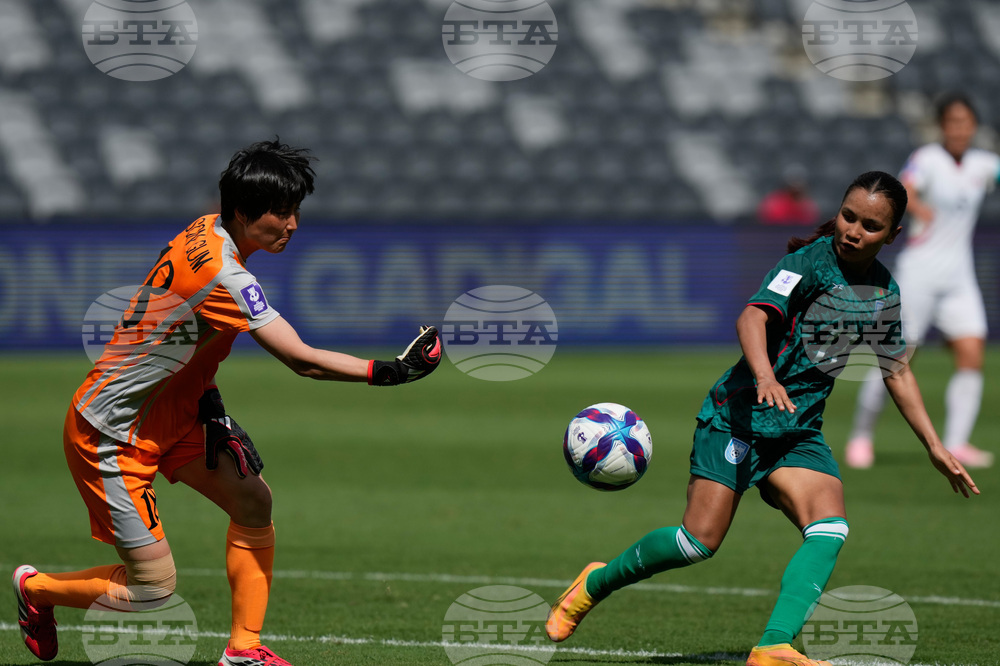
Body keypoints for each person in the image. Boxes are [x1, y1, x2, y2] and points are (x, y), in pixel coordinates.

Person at [11, 140, 442, 666]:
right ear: (243, 212)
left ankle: (244, 650)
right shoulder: (224, 275)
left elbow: (183, 339)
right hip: (112, 432)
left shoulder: (206, 226)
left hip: (175, 412)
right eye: (281, 213)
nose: (293, 224)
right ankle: (36, 591)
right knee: (152, 590)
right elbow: (300, 359)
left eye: (296, 210)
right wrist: (391, 372)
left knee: (254, 501)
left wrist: (211, 408)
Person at [545, 172, 978, 666]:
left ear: (893, 235)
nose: (853, 230)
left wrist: (935, 447)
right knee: (696, 542)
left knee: (830, 527)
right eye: (848, 216)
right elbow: (752, 317)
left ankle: (773, 645)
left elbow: (896, 371)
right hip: (740, 417)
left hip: (796, 434)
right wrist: (765, 376)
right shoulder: (806, 263)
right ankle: (594, 582)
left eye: (871, 226)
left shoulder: (882, 293)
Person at [846, 93, 999, 469]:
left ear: (974, 127)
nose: (959, 129)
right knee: (894, 356)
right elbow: (905, 190)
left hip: (959, 275)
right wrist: (917, 205)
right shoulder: (928, 159)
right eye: (952, 122)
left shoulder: (984, 164)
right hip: (920, 272)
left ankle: (957, 442)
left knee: (971, 353)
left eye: (965, 122)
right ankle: (861, 437)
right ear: (942, 126)